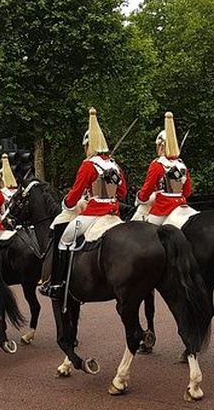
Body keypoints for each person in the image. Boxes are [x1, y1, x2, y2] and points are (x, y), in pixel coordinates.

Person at [40, 108, 127, 300]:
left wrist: (67, 203)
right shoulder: (114, 165)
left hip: (95, 213)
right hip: (114, 214)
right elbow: (122, 193)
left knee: (64, 239)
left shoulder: (88, 165)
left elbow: (74, 195)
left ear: (88, 145)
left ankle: (57, 284)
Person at [134, 112, 195, 225]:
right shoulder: (181, 165)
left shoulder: (157, 164)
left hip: (163, 207)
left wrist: (140, 198)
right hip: (181, 203)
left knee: (143, 229)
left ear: (161, 146)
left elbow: (147, 190)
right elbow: (187, 192)